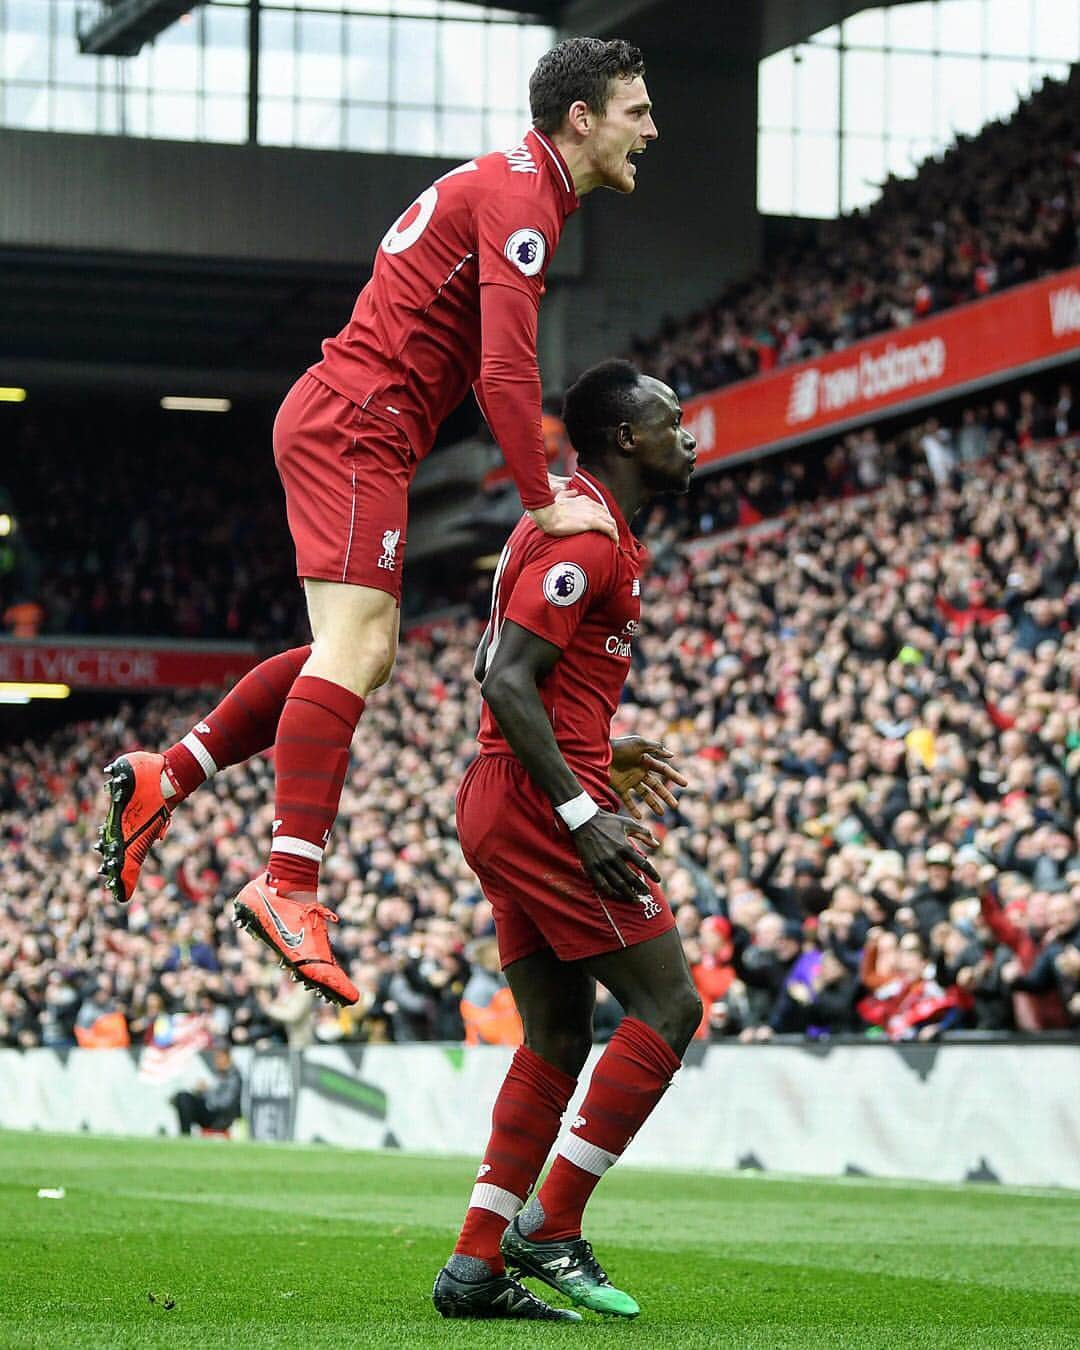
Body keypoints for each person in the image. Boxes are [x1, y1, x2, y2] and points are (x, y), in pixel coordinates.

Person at [96, 37, 659, 1008]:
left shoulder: (512, 183)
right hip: (362, 425)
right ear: (582, 117)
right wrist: (541, 496)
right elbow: (504, 370)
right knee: (355, 653)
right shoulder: (526, 199)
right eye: (637, 109)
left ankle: (170, 774)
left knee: (357, 650)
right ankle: (289, 884)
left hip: (353, 420)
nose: (651, 126)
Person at [432, 359, 699, 1322]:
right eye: (673, 420)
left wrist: (599, 744)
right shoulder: (583, 534)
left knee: (554, 1036)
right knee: (669, 1008)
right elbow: (504, 679)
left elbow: (502, 666)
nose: (690, 434)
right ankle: (549, 1228)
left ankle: (473, 1264)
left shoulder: (574, 522)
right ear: (626, 438)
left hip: (508, 791)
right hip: (547, 805)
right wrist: (583, 813)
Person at [171, 1045, 243, 1136]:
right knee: (183, 1097)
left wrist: (206, 1091)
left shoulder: (234, 1077)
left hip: (220, 1118)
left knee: (184, 1099)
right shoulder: (219, 1074)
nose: (216, 1060)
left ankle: (185, 1134)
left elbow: (224, 1103)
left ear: (227, 1057)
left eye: (219, 1057)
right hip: (210, 1111)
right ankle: (185, 1134)